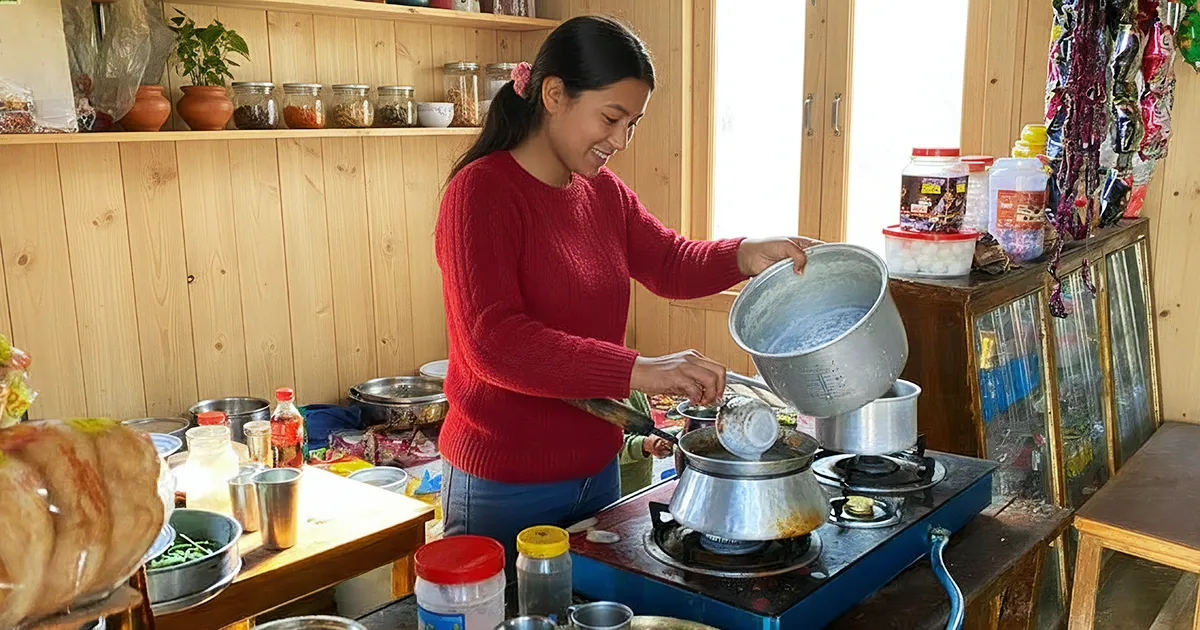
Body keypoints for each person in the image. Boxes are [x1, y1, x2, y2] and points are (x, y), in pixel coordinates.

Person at [435, 15, 818, 570]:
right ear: (554, 95)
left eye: (632, 124)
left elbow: (669, 262)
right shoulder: (481, 194)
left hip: (597, 469)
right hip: (504, 484)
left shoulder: (600, 192)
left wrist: (745, 254)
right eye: (611, 118)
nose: (619, 140)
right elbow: (494, 344)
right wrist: (642, 369)